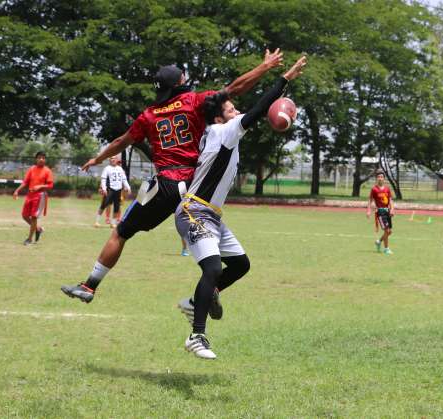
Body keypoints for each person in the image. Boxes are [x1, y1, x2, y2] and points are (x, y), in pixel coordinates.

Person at [61, 49, 285, 303]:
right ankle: (212, 288)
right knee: (212, 235)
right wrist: (265, 67)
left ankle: (90, 286)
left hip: (163, 184)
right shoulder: (193, 101)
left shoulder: (148, 115)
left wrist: (98, 159)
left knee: (121, 232)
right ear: (180, 82)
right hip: (195, 187)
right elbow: (234, 88)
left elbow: (122, 141)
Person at [174, 56, 307, 359]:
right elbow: (260, 108)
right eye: (232, 109)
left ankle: (198, 300)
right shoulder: (224, 132)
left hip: (211, 215)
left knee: (241, 265)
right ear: (220, 118)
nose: (238, 111)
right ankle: (197, 335)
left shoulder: (217, 133)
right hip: (195, 210)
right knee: (211, 267)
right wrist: (284, 79)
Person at [13, 151, 54, 245]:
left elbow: (50, 185)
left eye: (43, 158)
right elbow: (25, 182)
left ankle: (29, 239)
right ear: (36, 159)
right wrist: (17, 190)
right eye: (39, 157)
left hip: (40, 196)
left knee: (34, 217)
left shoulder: (47, 171)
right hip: (30, 195)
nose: (41, 159)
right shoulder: (31, 169)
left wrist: (39, 186)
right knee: (24, 216)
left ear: (45, 160)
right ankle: (38, 229)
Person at [95, 155, 131, 228]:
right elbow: (103, 179)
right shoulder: (107, 168)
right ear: (109, 160)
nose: (113, 160)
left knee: (117, 206)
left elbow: (124, 179)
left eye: (114, 158)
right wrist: (104, 189)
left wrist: (128, 187)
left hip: (118, 190)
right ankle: (97, 221)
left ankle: (113, 223)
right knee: (104, 205)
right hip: (110, 189)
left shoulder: (120, 169)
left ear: (117, 160)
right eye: (111, 158)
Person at [366, 170, 394, 254]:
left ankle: (379, 241)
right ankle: (386, 249)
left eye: (382, 177)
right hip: (380, 212)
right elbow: (370, 200)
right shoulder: (374, 189)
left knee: (389, 232)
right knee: (386, 230)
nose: (380, 178)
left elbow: (390, 200)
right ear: (376, 178)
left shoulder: (387, 189)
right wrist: (368, 210)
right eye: (378, 177)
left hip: (387, 212)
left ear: (384, 179)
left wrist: (392, 209)